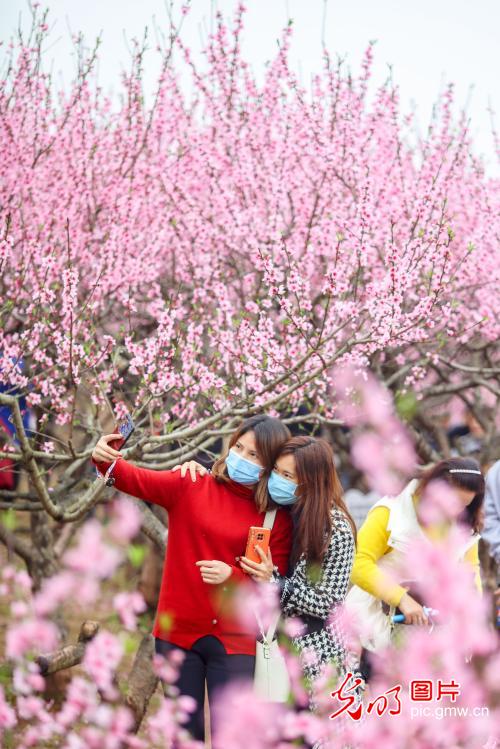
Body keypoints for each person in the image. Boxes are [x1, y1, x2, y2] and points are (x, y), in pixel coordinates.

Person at [91, 414, 293, 743]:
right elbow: (127, 476)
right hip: (178, 634)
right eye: (238, 447)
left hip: (236, 639)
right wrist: (108, 447)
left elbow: (271, 585)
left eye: (253, 455)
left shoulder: (276, 519)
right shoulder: (191, 484)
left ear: (270, 465)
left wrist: (234, 577)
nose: (240, 458)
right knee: (185, 736)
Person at [237, 436, 358, 704]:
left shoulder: (335, 528)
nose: (277, 480)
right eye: (276, 472)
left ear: (311, 481)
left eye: (287, 475)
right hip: (270, 642)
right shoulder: (277, 510)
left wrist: (275, 582)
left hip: (317, 650)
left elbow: (329, 602)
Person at [345, 457, 485, 681]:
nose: (455, 511)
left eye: (464, 505)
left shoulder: (463, 526)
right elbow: (359, 564)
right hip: (378, 627)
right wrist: (401, 598)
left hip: (436, 635)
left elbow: (471, 574)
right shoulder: (390, 512)